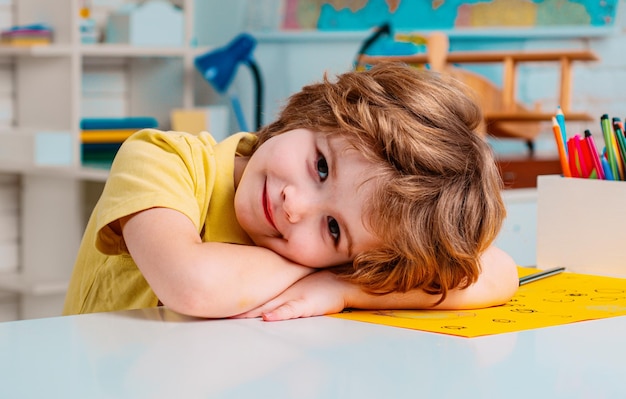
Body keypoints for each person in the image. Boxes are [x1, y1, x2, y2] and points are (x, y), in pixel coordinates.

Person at [63, 62, 518, 321]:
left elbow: (500, 273)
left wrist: (343, 288)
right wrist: (334, 273)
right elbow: (194, 286)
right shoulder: (164, 159)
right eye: (320, 166)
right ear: (312, 114)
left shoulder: (331, 266)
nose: (295, 207)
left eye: (334, 229)